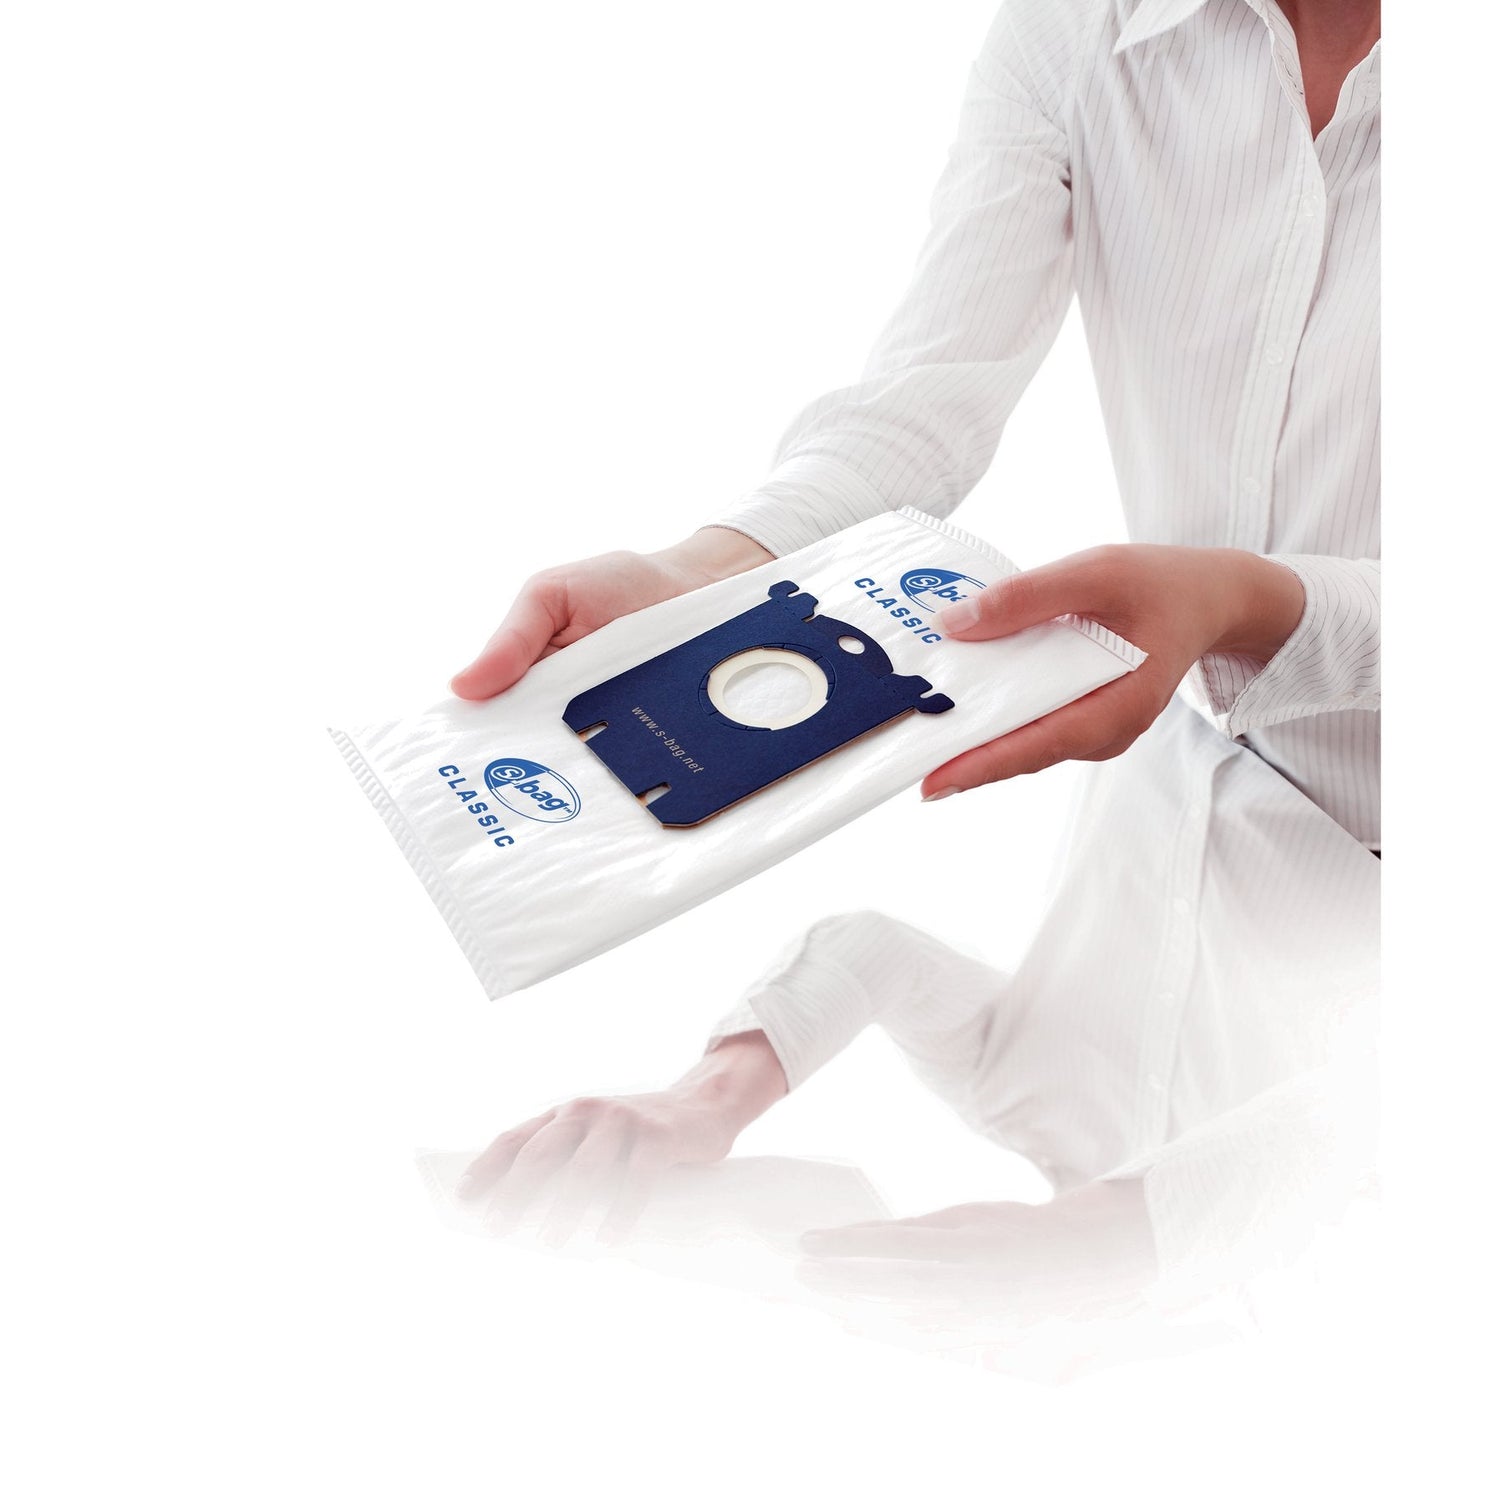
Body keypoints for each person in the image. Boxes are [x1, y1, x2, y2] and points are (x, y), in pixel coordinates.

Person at [451, 0, 1381, 1305]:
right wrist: (698, 574)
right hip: (1196, 832)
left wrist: (721, 1091)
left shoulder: (1065, 1114)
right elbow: (921, 406)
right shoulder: (1084, 32)